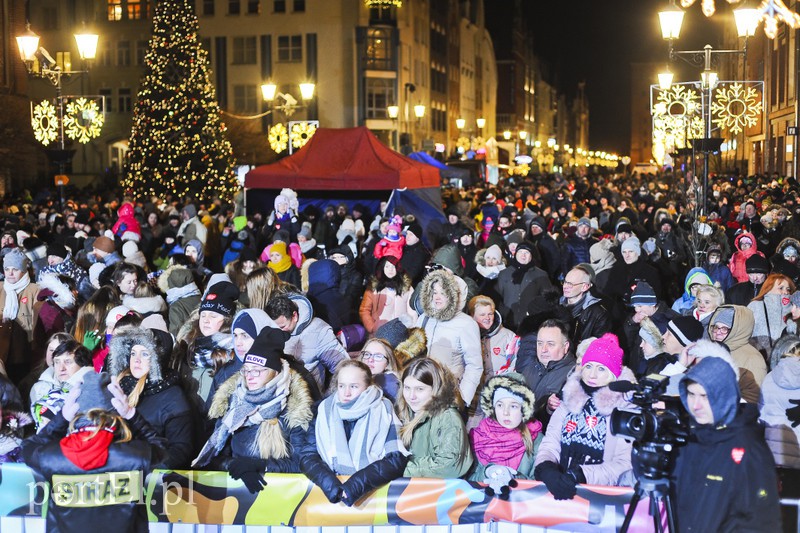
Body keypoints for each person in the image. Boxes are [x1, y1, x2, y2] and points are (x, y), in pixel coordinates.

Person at [21, 372, 167, 533]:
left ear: (75, 416)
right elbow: (161, 447)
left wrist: (61, 418)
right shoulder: (135, 456)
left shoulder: (51, 458)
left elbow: (28, 447)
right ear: (116, 417)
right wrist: (131, 415)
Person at [193, 327, 313, 490]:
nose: (249, 376)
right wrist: (235, 466)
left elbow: (302, 462)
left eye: (257, 371)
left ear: (274, 372)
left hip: (281, 494)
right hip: (237, 492)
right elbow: (216, 456)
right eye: (246, 370)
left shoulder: (295, 407)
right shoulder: (233, 401)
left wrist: (261, 465)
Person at [672, 357, 781, 531]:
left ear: (723, 396)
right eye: (691, 394)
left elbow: (762, 519)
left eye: (704, 396)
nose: (696, 405)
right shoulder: (688, 437)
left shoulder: (747, 445)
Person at [533, 333, 635, 499]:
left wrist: (581, 475)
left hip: (602, 498)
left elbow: (624, 464)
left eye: (601, 369)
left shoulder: (626, 408)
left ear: (614, 373)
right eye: (588, 366)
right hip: (560, 490)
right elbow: (551, 443)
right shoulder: (569, 399)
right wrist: (546, 468)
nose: (592, 374)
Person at [300, 360, 408, 506]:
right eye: (341, 386)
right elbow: (308, 456)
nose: (346, 393)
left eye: (354, 386)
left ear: (368, 386)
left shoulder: (384, 410)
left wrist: (354, 487)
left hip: (373, 501)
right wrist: (332, 487)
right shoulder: (324, 410)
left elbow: (396, 459)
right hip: (329, 500)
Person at [108, 326, 195, 469]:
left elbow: (180, 453)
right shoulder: (120, 387)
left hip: (151, 476)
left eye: (145, 354)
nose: (136, 360)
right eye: (133, 353)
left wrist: (142, 470)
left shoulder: (173, 397)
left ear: (158, 359)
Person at [415, 270, 483, 407]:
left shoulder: (466, 324)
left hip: (448, 397)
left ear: (454, 295)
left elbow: (474, 365)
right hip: (422, 393)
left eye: (443, 293)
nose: (437, 297)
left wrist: (462, 399)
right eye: (434, 292)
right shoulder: (424, 319)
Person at [396, 358, 473, 478]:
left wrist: (401, 469)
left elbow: (449, 466)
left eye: (420, 389)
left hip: (437, 489)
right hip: (414, 486)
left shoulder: (448, 418)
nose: (411, 396)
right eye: (407, 388)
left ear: (436, 389)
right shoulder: (407, 411)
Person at [469, 373, 543, 482]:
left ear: (524, 409)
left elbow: (539, 485)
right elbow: (468, 480)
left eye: (513, 406)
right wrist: (486, 473)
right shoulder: (478, 436)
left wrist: (514, 478)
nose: (505, 412)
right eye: (500, 405)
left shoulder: (536, 440)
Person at [265, 294, 348, 389]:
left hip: (307, 394)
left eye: (283, 327)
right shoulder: (269, 330)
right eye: (274, 327)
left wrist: (330, 397)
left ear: (294, 316)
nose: (278, 331)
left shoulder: (319, 331)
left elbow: (343, 367)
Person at [515, 319, 576, 425]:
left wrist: (548, 409)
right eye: (540, 343)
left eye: (550, 344)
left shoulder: (573, 375)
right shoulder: (530, 367)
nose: (543, 349)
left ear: (565, 347)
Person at [30, 338, 95, 432]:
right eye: (57, 362)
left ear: (82, 364)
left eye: (68, 362)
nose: (61, 368)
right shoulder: (38, 388)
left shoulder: (91, 389)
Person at [359, 256, 415, 335]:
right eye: (387, 266)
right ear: (382, 268)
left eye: (393, 266)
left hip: (401, 333)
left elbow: (412, 312)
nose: (390, 269)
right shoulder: (374, 287)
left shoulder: (407, 287)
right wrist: (372, 327)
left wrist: (411, 330)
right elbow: (364, 310)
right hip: (380, 333)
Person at [559, 264, 611, 344]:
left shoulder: (598, 314)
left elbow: (600, 346)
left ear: (585, 287)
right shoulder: (555, 305)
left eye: (570, 284)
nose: (565, 286)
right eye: (565, 282)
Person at [468, 295, 516, 379]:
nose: (487, 318)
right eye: (482, 315)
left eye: (490, 314)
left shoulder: (509, 337)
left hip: (500, 385)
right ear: (472, 316)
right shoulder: (466, 337)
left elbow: (515, 367)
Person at [359, 338, 402, 403]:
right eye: (367, 354)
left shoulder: (389, 385)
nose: (370, 360)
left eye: (378, 356)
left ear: (388, 363)